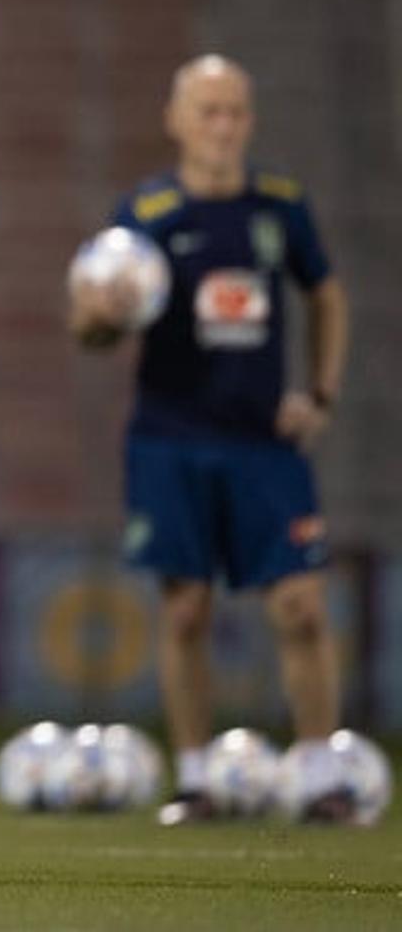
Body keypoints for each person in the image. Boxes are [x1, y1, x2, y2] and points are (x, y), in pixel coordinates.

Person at [69, 54, 351, 825]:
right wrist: (97, 315)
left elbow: (325, 292)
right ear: (177, 119)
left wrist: (319, 393)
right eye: (207, 111)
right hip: (171, 438)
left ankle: (324, 776)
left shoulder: (281, 207)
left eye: (234, 112)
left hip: (264, 443)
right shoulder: (146, 216)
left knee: (301, 605)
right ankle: (195, 780)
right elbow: (91, 326)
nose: (222, 126)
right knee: (186, 611)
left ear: (249, 121)